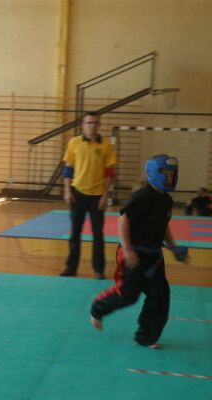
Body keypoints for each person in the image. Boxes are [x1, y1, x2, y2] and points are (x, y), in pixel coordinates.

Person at [90, 155, 189, 349]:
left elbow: (164, 226)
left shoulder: (166, 200)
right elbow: (123, 220)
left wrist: (173, 246)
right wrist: (127, 249)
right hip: (133, 253)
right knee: (128, 295)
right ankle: (98, 308)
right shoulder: (142, 196)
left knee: (160, 296)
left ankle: (146, 337)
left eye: (172, 174)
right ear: (154, 173)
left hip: (154, 256)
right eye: (165, 173)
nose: (169, 178)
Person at [59, 112, 117, 279]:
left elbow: (109, 173)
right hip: (77, 194)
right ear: (83, 125)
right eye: (89, 122)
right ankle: (71, 268)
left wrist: (106, 196)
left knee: (98, 235)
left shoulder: (106, 145)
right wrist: (67, 191)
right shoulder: (74, 143)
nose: (92, 126)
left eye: (95, 123)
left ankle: (99, 270)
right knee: (75, 233)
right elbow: (68, 169)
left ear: (99, 125)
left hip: (97, 196)